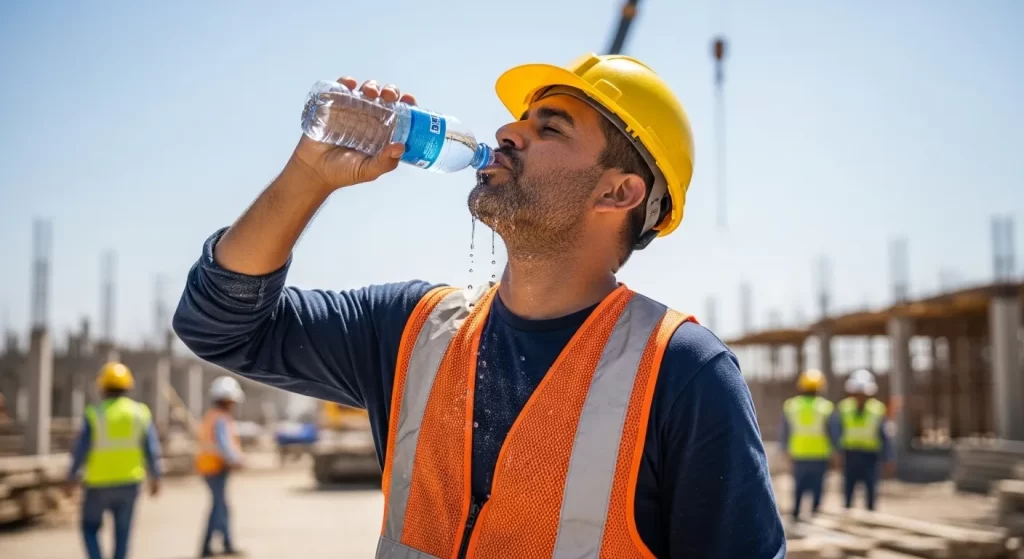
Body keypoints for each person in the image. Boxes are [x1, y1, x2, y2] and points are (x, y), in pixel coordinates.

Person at [173, 53, 785, 558]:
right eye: (521, 120)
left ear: (618, 191)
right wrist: (309, 173)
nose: (506, 133)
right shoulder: (412, 330)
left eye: (550, 128)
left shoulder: (681, 373)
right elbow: (220, 325)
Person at [66, 362, 162, 559]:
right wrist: (156, 477)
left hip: (98, 483)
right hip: (130, 482)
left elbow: (80, 449)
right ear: (128, 386)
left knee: (90, 528)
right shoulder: (140, 413)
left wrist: (71, 475)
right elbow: (151, 449)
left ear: (102, 387)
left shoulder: (94, 413)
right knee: (123, 534)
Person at [194, 375, 247, 557]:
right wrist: (238, 460)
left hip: (210, 467)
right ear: (227, 399)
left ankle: (219, 544)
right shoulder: (221, 418)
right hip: (215, 468)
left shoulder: (212, 416)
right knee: (220, 507)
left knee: (220, 506)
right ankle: (214, 545)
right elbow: (224, 445)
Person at [779, 369, 837, 521]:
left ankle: (796, 514)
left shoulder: (792, 406)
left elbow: (785, 431)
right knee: (817, 487)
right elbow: (832, 432)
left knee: (799, 486)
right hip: (819, 454)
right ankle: (814, 515)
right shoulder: (826, 407)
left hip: (799, 454)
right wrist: (835, 453)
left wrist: (785, 450)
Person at [838, 369, 893, 511]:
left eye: (863, 394)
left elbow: (884, 435)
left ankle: (870, 511)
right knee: (848, 485)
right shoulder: (844, 408)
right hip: (850, 453)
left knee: (871, 485)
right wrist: (836, 453)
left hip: (870, 454)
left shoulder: (877, 409)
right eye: (857, 393)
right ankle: (848, 511)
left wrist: (889, 457)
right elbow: (838, 432)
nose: (860, 397)